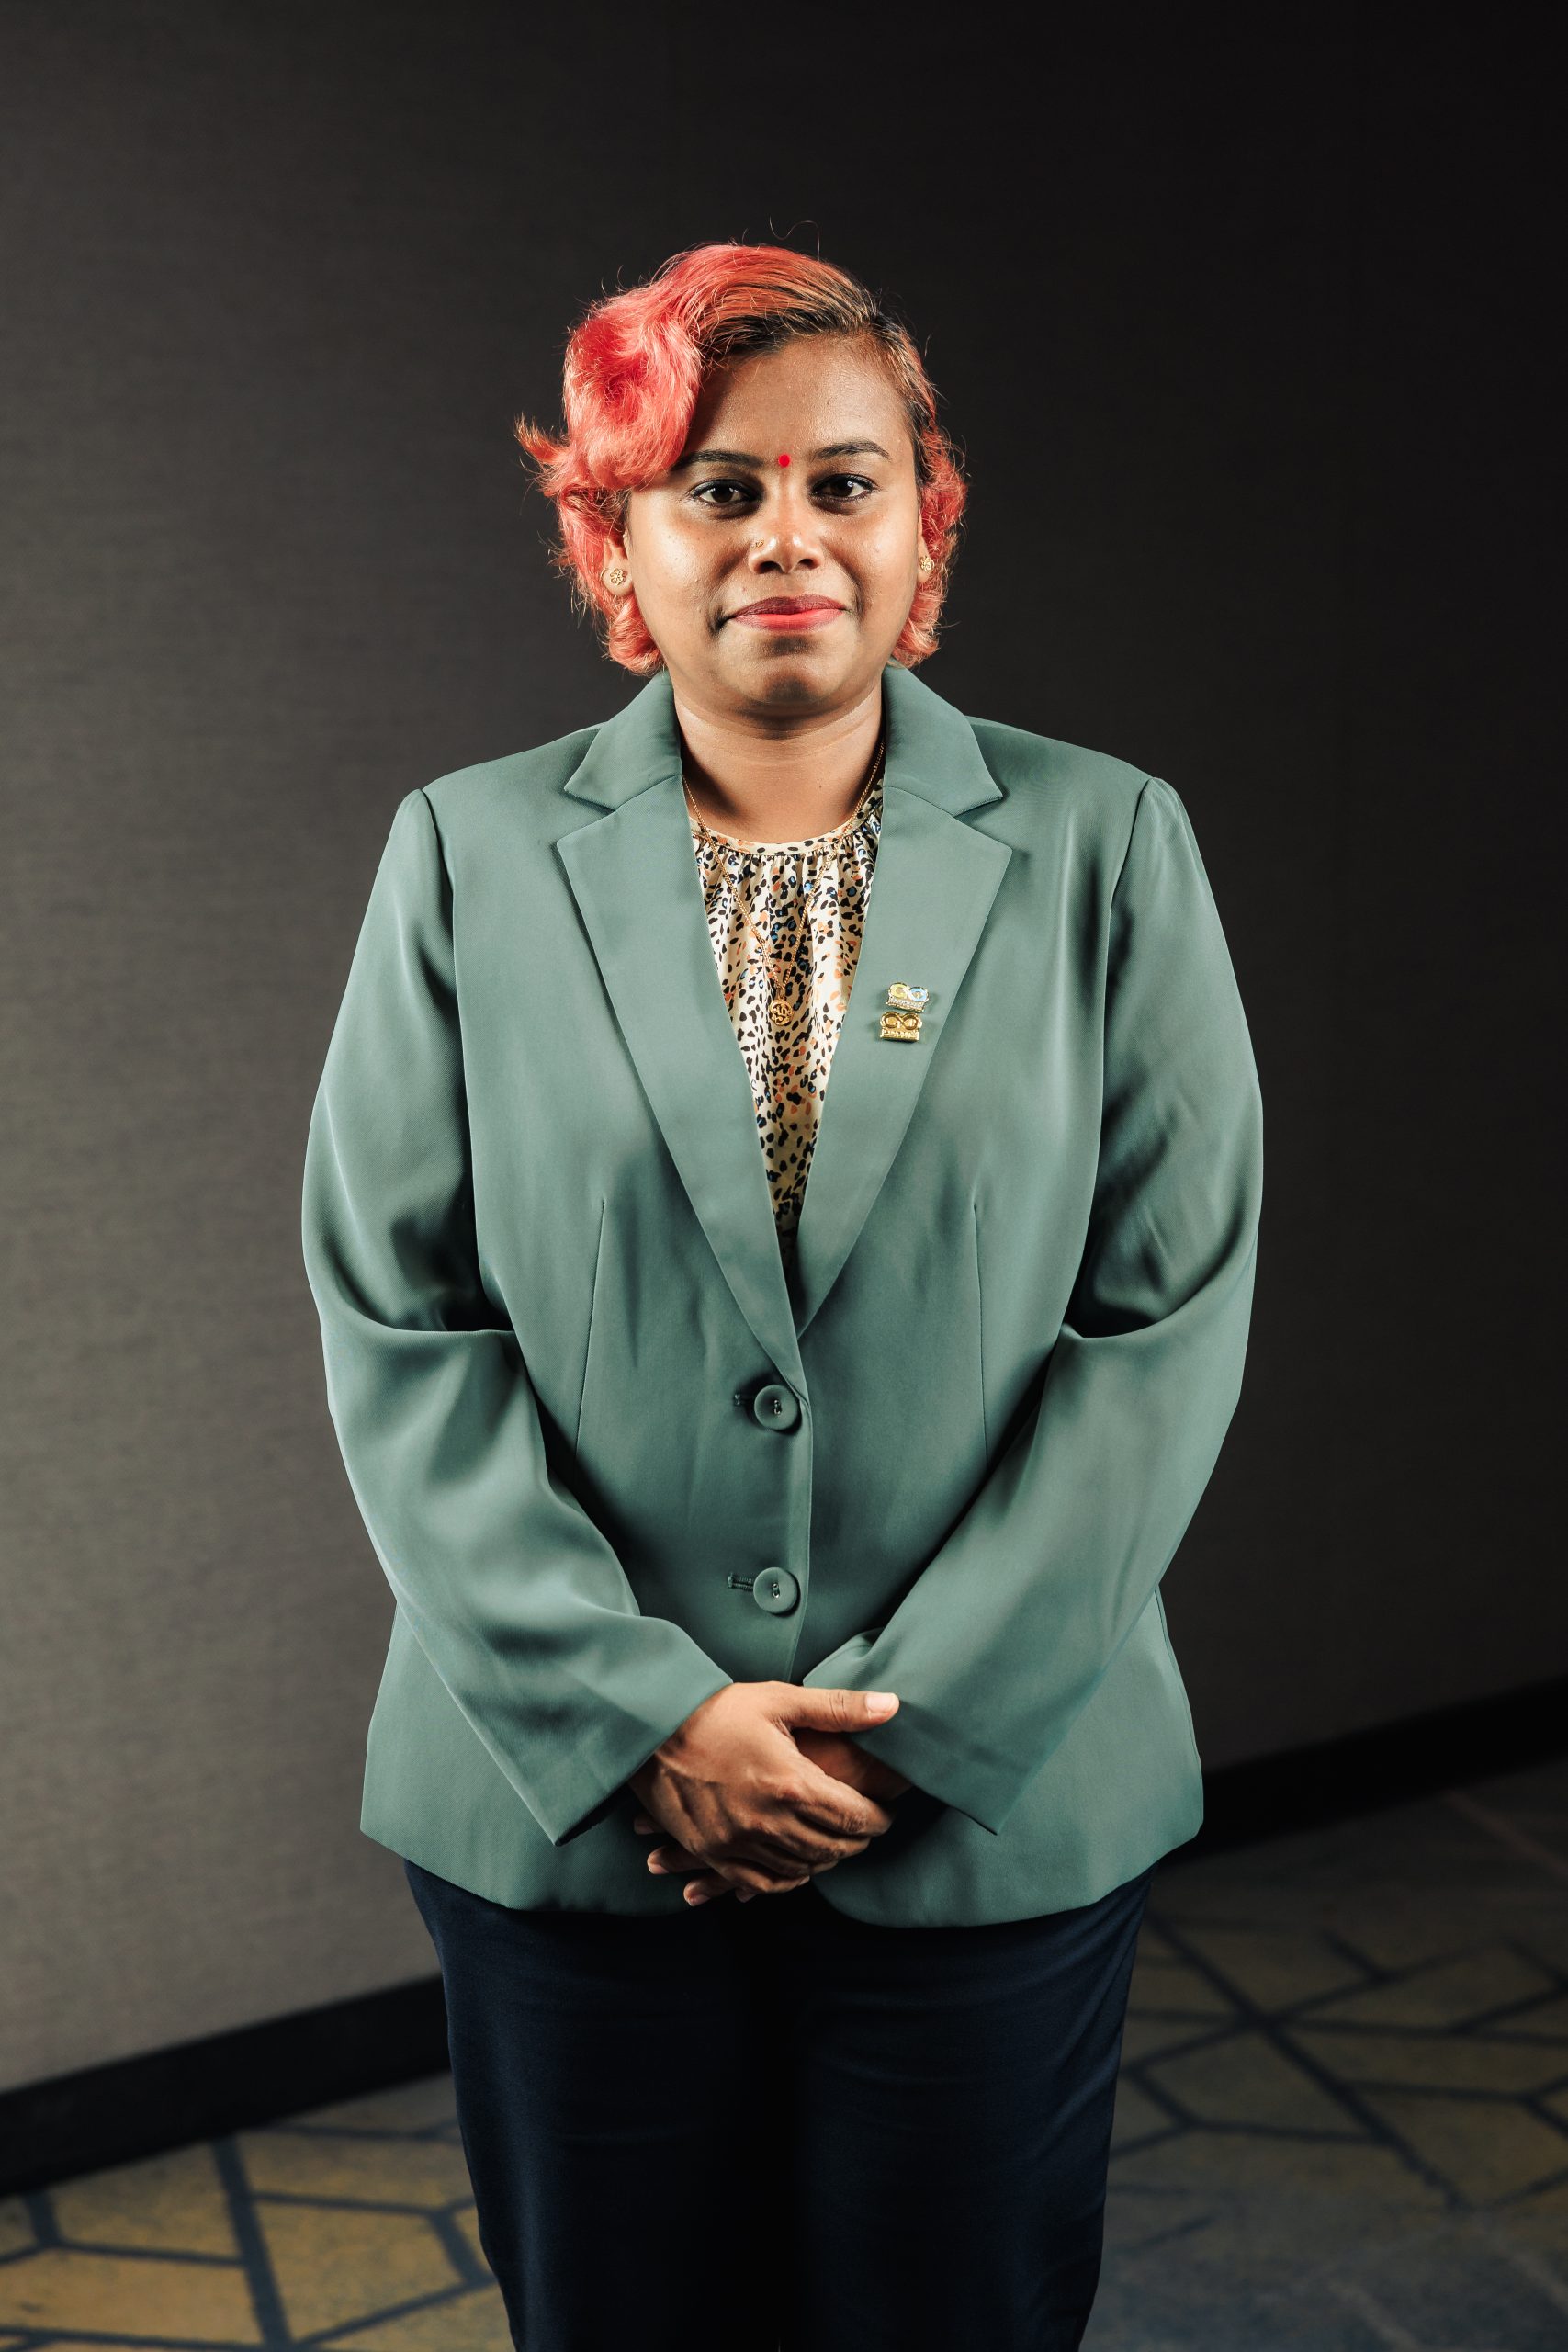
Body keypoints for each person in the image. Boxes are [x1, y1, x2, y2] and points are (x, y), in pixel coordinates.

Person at [300, 239, 1264, 2351]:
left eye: (844, 480)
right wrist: (646, 1715)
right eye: (714, 487)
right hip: (572, 1811)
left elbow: (1160, 1326)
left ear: (925, 524)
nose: (785, 534)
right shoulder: (462, 854)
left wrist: (908, 1734)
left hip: (988, 1806)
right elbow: (401, 1320)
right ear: (614, 543)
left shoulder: (1111, 846)